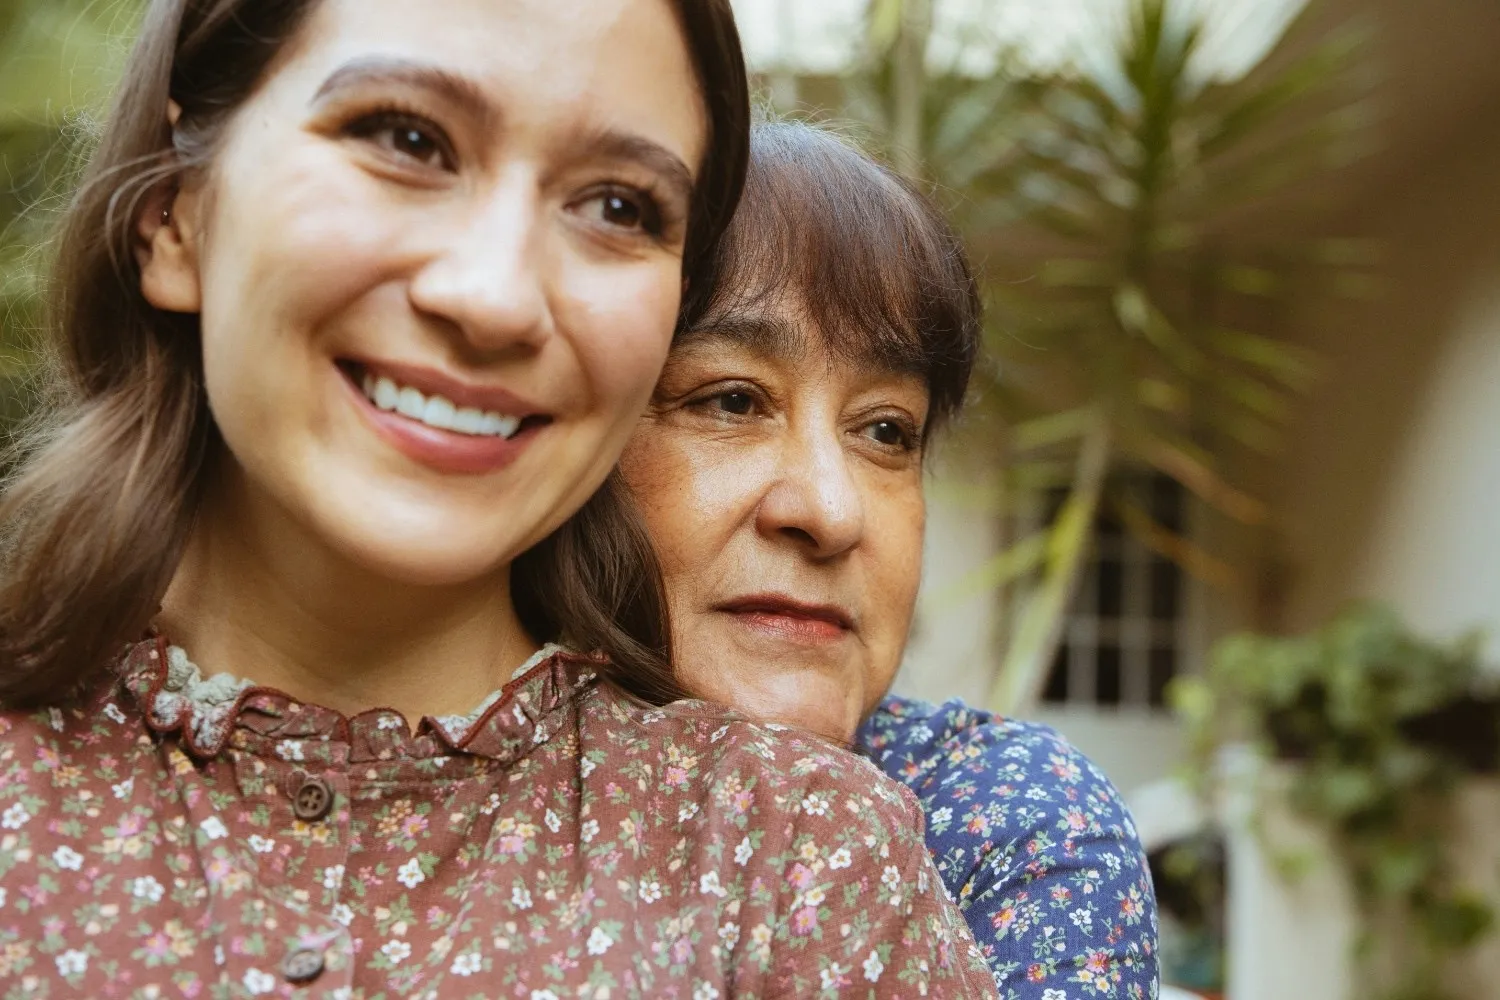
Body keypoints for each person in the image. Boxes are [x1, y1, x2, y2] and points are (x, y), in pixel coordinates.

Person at [0, 4, 996, 997]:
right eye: (407, 139)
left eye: (619, 207)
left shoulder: (798, 864)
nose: (497, 295)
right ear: (177, 208)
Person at [621, 119, 1160, 998]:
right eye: (732, 400)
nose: (830, 513)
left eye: (884, 430)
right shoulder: (419, 776)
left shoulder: (1002, 822)